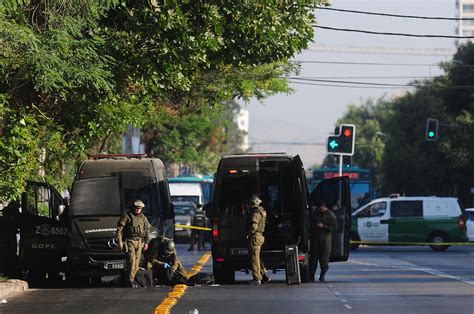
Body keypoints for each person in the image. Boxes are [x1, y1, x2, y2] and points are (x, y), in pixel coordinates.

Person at [117, 199, 151, 287]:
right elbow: (119, 229)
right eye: (136, 208)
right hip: (129, 241)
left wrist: (146, 242)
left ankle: (131, 280)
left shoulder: (142, 217)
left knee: (136, 264)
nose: (137, 210)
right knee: (131, 261)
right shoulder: (127, 216)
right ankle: (130, 281)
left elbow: (147, 229)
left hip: (139, 241)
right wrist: (120, 242)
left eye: (139, 208)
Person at [309, 201, 337, 282]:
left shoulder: (330, 215)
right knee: (313, 259)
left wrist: (324, 226)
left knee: (324, 259)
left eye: (321, 207)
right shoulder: (316, 213)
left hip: (325, 241)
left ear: (325, 206)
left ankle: (322, 275)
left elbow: (334, 227)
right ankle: (311, 276)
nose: (319, 208)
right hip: (315, 240)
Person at [247, 195, 271, 285]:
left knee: (254, 258)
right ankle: (264, 275)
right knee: (257, 257)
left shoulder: (256, 212)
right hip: (260, 236)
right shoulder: (262, 211)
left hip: (255, 236)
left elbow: (254, 225)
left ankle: (257, 278)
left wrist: (249, 233)